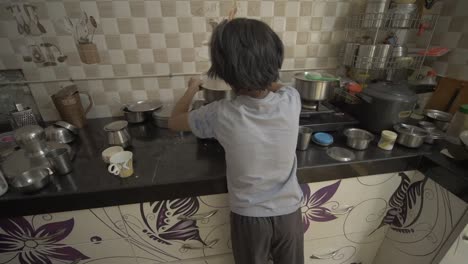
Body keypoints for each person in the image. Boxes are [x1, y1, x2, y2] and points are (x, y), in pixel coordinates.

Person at [169, 18, 304, 264]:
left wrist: (191, 88)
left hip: (250, 219)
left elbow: (174, 121)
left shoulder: (220, 113)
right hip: (290, 215)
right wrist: (261, 74)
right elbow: (278, 85)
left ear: (223, 73)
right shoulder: (291, 99)